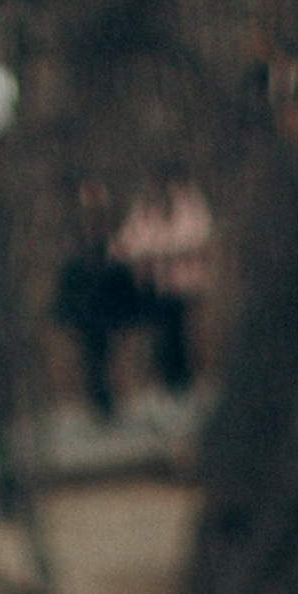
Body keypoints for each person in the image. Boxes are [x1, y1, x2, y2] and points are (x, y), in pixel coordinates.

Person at [114, 177, 212, 395]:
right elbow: (127, 245)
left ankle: (183, 381)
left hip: (182, 287)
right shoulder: (144, 211)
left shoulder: (187, 204)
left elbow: (195, 238)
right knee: (162, 336)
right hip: (156, 288)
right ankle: (166, 382)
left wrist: (161, 252)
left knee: (180, 334)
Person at [52, 184, 139, 419]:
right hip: (88, 314)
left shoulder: (113, 246)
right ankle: (100, 405)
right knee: (93, 362)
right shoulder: (76, 248)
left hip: (110, 310)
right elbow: (69, 282)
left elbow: (123, 278)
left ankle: (113, 403)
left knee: (111, 360)